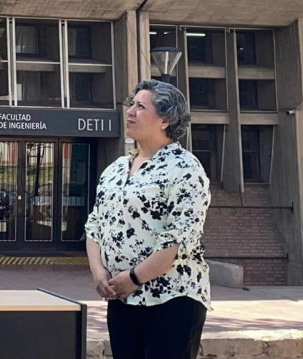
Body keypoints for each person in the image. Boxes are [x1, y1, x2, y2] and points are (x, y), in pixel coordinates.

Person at [85, 79, 211, 359]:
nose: (130, 111)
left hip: (172, 299)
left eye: (140, 107)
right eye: (131, 104)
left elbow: (179, 237)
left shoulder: (185, 169)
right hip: (122, 297)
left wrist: (134, 277)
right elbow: (95, 224)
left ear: (165, 119)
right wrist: (98, 272)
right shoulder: (116, 169)